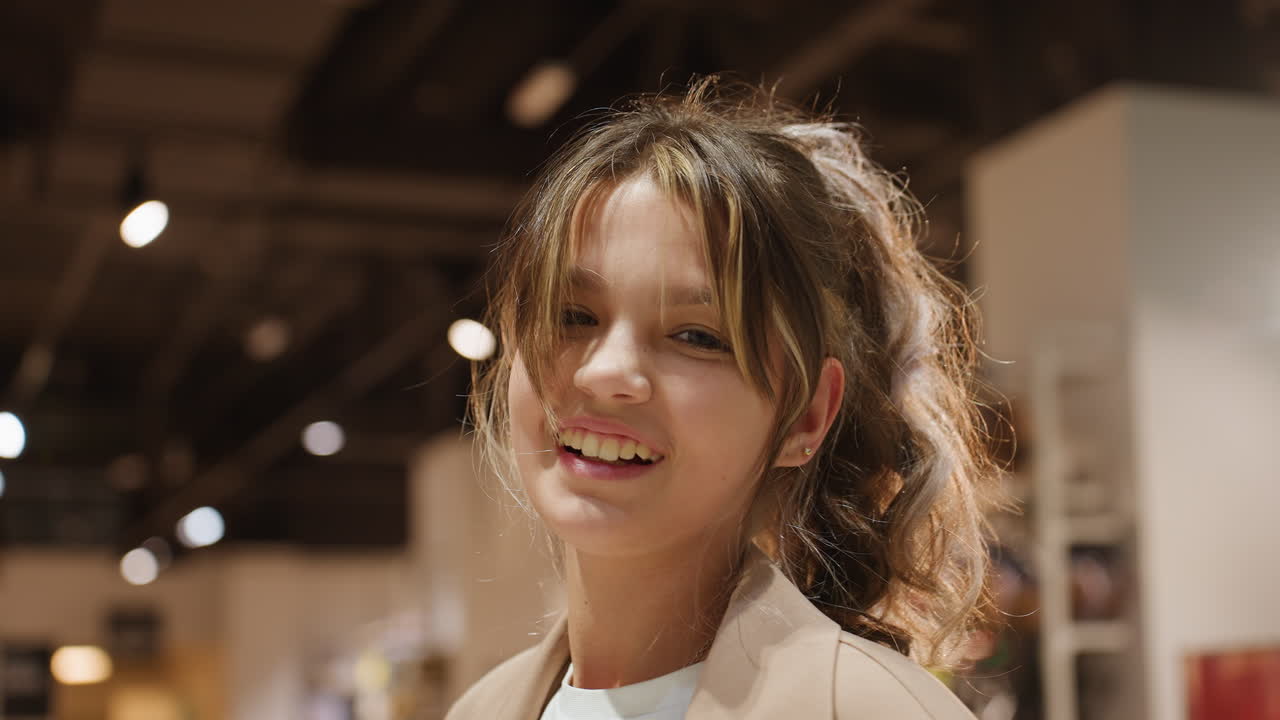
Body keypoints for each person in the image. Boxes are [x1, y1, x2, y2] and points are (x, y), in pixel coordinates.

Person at [449, 76, 1000, 720]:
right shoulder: (479, 710)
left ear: (805, 416)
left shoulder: (874, 709)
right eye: (573, 316)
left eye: (696, 336)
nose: (606, 371)